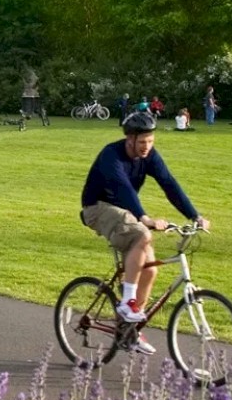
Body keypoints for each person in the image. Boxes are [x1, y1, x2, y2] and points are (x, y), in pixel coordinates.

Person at [78, 110, 209, 356]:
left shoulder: (149, 156)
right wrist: (145, 218)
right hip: (97, 209)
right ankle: (128, 303)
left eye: (150, 141)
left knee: (151, 270)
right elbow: (123, 188)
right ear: (129, 139)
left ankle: (129, 333)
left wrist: (195, 216)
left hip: (125, 213)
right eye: (142, 142)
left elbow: (169, 183)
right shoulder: (111, 155)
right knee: (143, 234)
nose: (146, 147)